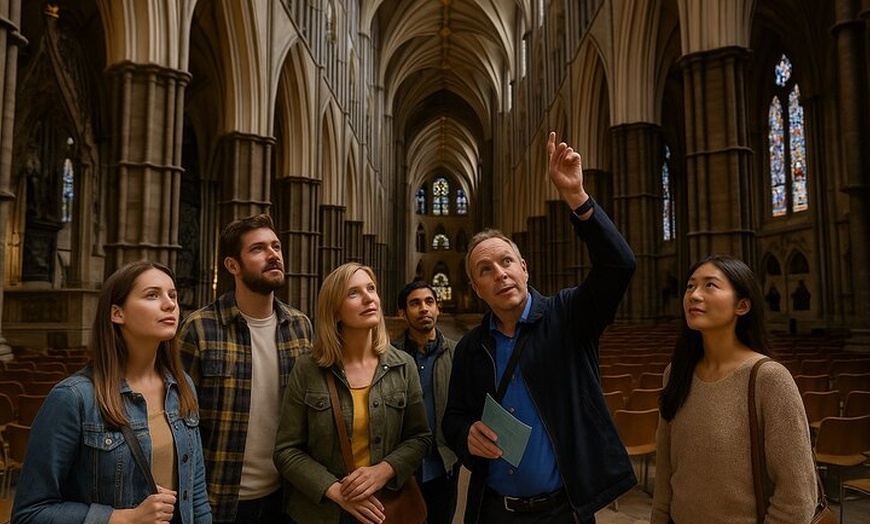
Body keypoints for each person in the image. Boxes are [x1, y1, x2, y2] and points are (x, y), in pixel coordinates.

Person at [442, 132, 638, 524]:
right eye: (486, 270)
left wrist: (577, 199)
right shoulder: (470, 347)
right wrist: (465, 435)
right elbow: (454, 417)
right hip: (494, 510)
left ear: (524, 268)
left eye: (506, 262)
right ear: (477, 290)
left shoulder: (568, 316)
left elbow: (620, 265)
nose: (500, 274)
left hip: (563, 509)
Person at [12, 261, 211, 524]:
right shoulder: (73, 398)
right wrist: (121, 518)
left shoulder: (182, 386)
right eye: (152, 295)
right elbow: (29, 513)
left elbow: (196, 495)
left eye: (172, 295)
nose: (170, 304)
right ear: (117, 313)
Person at [650, 255, 818, 524]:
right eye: (690, 286)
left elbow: (797, 498)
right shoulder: (676, 374)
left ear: (742, 305)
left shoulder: (769, 379)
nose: (694, 295)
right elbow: (666, 471)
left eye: (710, 286)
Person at [179, 214, 313, 523]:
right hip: (220, 499)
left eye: (276, 246)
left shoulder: (300, 326)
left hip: (287, 496)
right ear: (232, 266)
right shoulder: (199, 329)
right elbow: (181, 424)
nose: (273, 255)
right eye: (258, 249)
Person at [274, 262, 432, 524]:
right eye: (354, 293)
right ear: (335, 311)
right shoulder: (309, 368)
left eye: (371, 289)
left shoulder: (403, 365)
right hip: (324, 510)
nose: (369, 297)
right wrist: (335, 490)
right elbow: (286, 451)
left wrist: (383, 470)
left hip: (385, 507)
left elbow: (420, 439)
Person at [392, 280, 459, 524]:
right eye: (415, 303)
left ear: (437, 308)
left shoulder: (457, 353)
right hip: (402, 469)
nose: (424, 309)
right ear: (402, 313)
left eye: (429, 302)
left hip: (444, 465)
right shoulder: (389, 356)